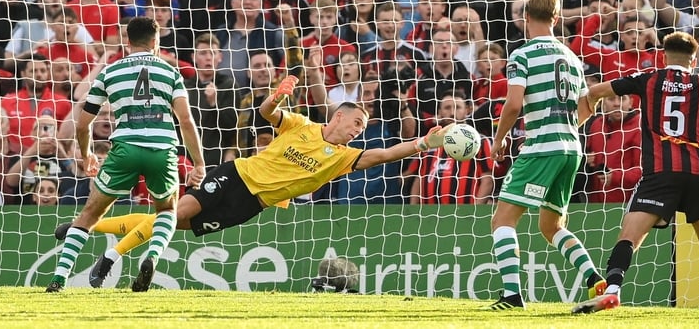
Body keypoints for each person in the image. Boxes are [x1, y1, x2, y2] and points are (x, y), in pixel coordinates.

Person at [54, 74, 452, 289]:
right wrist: (277, 96)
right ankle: (110, 258)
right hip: (235, 176)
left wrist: (423, 143)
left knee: (179, 223)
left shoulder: (343, 158)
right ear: (339, 116)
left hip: (250, 205)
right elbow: (266, 113)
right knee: (174, 214)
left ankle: (81, 229)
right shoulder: (301, 125)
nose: (358, 131)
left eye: (362, 128)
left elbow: (384, 154)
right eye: (357, 123)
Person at [572, 32, 699, 314]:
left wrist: (581, 116)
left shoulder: (649, 79)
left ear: (665, 57)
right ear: (694, 61)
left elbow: (595, 92)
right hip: (697, 173)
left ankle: (613, 290)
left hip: (658, 174)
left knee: (628, 238)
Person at [45, 16, 206, 293]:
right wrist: (199, 163)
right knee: (167, 210)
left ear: (128, 41)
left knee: (89, 214)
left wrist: (86, 154)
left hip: (124, 150)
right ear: (156, 42)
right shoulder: (170, 73)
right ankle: (151, 256)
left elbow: (83, 124)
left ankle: (59, 279)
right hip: (161, 150)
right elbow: (186, 120)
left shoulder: (110, 72)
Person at [487, 0, 606, 310]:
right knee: (551, 226)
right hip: (571, 149)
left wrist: (499, 139)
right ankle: (594, 278)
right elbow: (587, 107)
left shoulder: (522, 55)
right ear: (556, 18)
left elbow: (513, 104)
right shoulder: (572, 58)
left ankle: (512, 296)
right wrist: (563, 126)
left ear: (525, 17)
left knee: (502, 221)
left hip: (541, 148)